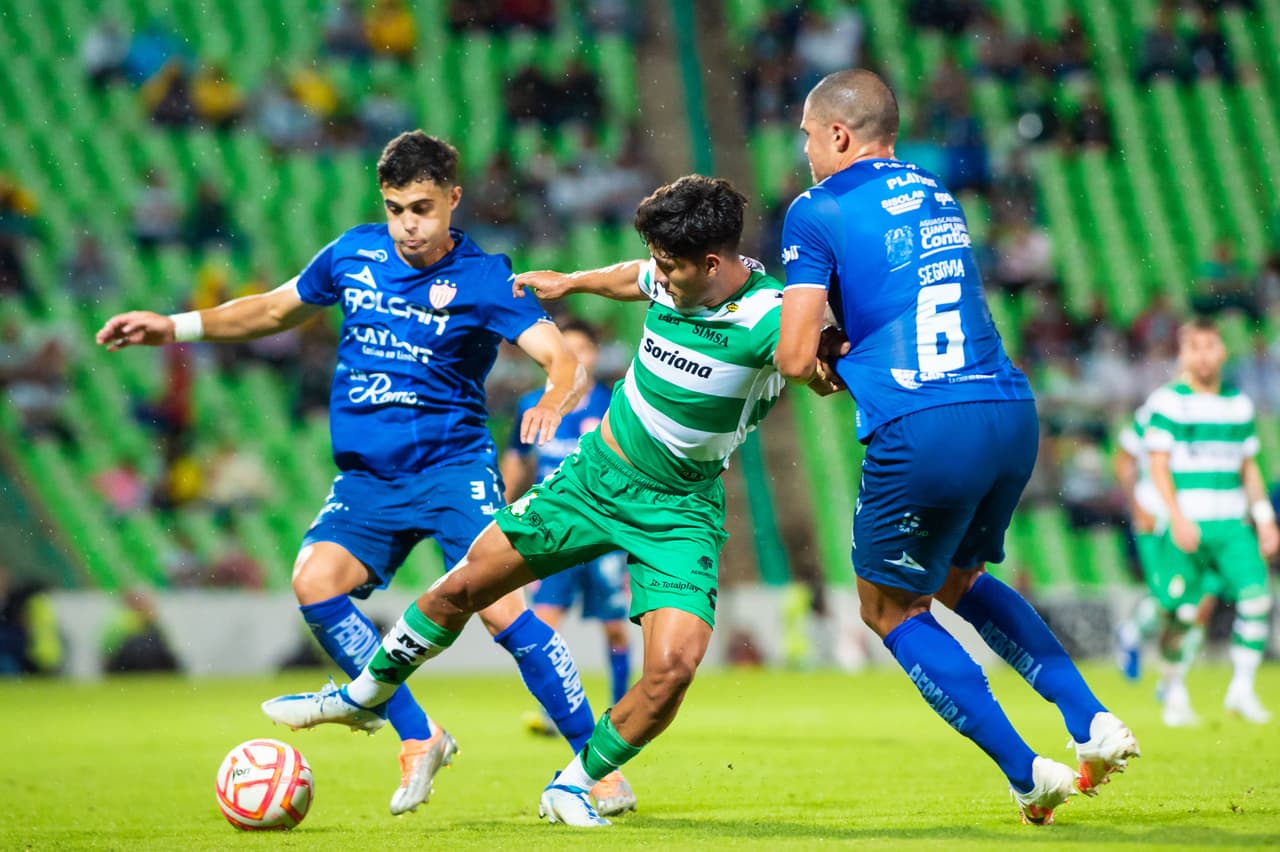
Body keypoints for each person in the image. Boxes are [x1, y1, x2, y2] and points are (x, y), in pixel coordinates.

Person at [260, 174, 833, 827]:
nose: (660, 279)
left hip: (680, 511)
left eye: (670, 269)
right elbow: (631, 275)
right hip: (594, 481)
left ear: (712, 263)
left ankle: (572, 783)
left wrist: (828, 360)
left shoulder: (768, 315)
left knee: (671, 671)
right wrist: (573, 281)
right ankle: (364, 694)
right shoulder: (673, 272)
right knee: (465, 585)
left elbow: (808, 370)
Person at [95, 131, 609, 817]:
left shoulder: (486, 278)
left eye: (423, 208)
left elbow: (562, 359)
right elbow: (274, 309)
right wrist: (173, 327)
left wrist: (552, 396)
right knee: (314, 581)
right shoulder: (354, 253)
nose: (408, 226)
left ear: (454, 200)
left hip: (454, 472)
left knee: (503, 610)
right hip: (369, 482)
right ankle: (418, 735)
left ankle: (599, 766)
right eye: (396, 208)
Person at [773, 69, 1138, 825]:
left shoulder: (816, 209)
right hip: (1006, 410)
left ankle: (1026, 772)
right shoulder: (935, 191)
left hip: (925, 425)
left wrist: (831, 360)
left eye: (808, 135)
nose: (803, 149)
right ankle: (1092, 719)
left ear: (838, 135)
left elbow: (790, 355)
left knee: (886, 607)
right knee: (959, 578)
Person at [499, 319, 633, 737]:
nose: (575, 358)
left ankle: (619, 710)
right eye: (566, 350)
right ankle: (555, 710)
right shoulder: (532, 406)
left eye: (583, 349)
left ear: (596, 354)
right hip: (551, 530)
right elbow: (517, 457)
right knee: (542, 621)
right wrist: (503, 504)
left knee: (614, 626)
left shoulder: (612, 404)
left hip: (602, 532)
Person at [1143, 316, 1278, 723]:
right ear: (1182, 354)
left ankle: (1241, 690)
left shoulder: (1238, 404)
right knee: (1184, 611)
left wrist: (1265, 519)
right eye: (1194, 347)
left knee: (1257, 598)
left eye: (1210, 346)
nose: (1202, 355)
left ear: (1222, 351)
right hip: (1190, 524)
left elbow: (1248, 467)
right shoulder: (1168, 401)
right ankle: (1174, 692)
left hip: (1232, 524)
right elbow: (1158, 466)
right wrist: (1177, 517)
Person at [1113, 403, 1220, 726]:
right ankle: (1133, 633)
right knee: (1172, 605)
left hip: (1198, 523)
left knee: (1201, 604)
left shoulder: (1216, 415)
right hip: (1158, 523)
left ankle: (1173, 686)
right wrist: (1136, 507)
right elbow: (1122, 459)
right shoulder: (1154, 413)